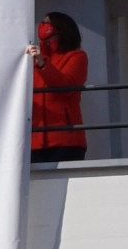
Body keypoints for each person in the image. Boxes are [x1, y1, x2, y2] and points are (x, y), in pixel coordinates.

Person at [27, 11, 89, 162]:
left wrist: (42, 64)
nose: (42, 25)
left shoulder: (76, 56)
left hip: (66, 142)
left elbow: (66, 88)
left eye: (47, 22)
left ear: (60, 28)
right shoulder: (33, 61)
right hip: (34, 141)